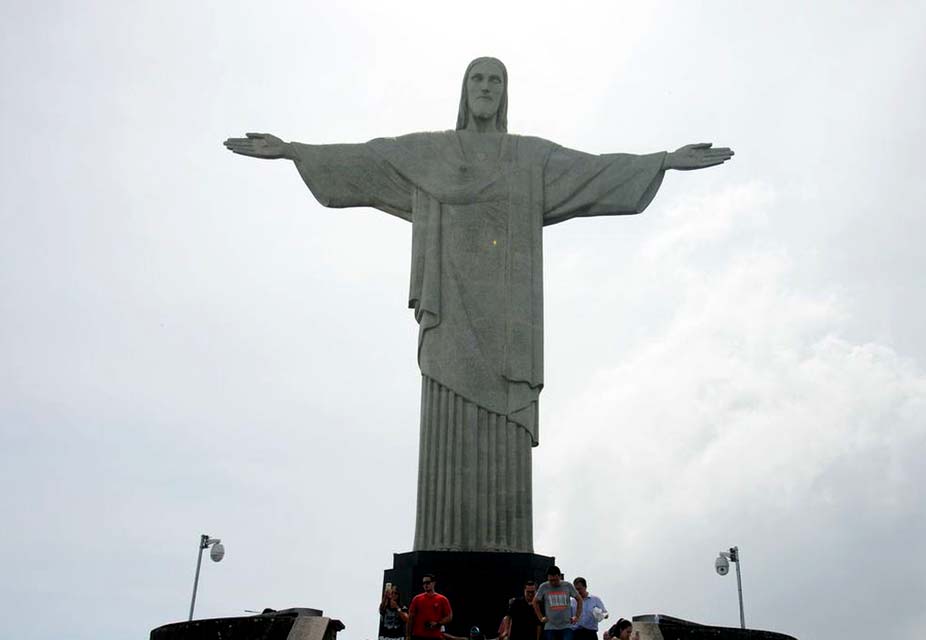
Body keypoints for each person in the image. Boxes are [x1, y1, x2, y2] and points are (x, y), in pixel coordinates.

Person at [224, 58, 734, 554]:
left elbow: (593, 171)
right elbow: (369, 158)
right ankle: (442, 540)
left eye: (496, 79)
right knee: (446, 403)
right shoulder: (430, 153)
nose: (486, 86)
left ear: (505, 92)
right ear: (464, 90)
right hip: (448, 305)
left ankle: (503, 544)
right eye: (477, 78)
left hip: (509, 316)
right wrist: (293, 150)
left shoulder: (530, 157)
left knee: (504, 409)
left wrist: (662, 161)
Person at [533, 566, 582, 640]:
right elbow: (535, 602)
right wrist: (541, 617)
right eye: (551, 580)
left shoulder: (567, 585)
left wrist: (577, 616)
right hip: (550, 626)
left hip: (566, 625)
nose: (553, 583)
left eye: (555, 580)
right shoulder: (544, 586)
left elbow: (579, 599)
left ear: (559, 576)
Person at [407, 574, 453, 640]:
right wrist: (408, 635)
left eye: (428, 582)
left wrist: (437, 623)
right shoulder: (417, 599)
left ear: (434, 583)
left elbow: (449, 616)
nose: (425, 585)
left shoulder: (442, 599)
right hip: (418, 635)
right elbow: (410, 618)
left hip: (435, 636)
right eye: (424, 583)